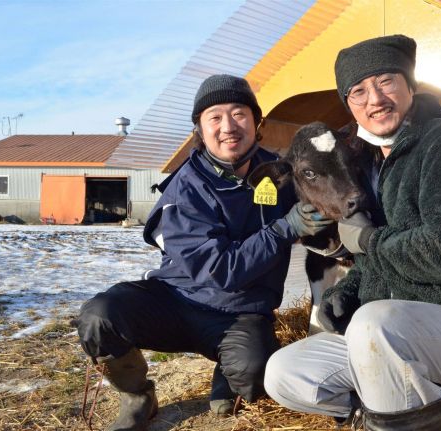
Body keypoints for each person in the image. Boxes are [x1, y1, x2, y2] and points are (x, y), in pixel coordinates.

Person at [264, 35, 441, 430]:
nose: (374, 99)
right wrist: (346, 291)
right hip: (411, 339)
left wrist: (369, 240)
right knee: (285, 371)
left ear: (410, 85)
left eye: (386, 82)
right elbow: (385, 261)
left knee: (374, 323)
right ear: (350, 108)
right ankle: (391, 415)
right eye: (358, 92)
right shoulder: (379, 164)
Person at [74, 74, 333, 430]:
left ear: (257, 123)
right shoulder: (186, 187)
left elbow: (328, 197)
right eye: (215, 117)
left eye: (239, 114)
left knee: (256, 378)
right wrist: (285, 228)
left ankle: (228, 369)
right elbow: (219, 269)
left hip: (240, 312)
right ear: (200, 128)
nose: (228, 126)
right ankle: (138, 396)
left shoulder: (282, 175)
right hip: (177, 299)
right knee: (100, 317)